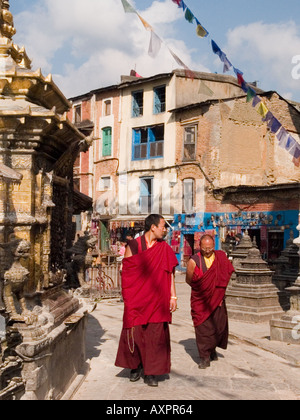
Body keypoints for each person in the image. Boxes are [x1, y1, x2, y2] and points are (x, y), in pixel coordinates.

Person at [115, 214, 178, 387]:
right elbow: (126, 272)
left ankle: (152, 372)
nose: (165, 230)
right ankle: (136, 366)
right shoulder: (134, 245)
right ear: (153, 227)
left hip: (158, 298)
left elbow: (169, 273)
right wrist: (127, 296)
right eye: (163, 226)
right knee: (135, 333)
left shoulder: (164, 248)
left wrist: (173, 295)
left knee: (155, 335)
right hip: (136, 298)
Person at [185, 234, 234, 369]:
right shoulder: (194, 261)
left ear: (214, 246)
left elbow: (227, 272)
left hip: (217, 299)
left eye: (210, 247)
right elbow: (189, 280)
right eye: (204, 248)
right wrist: (203, 289)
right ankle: (204, 356)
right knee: (203, 329)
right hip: (201, 300)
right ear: (199, 246)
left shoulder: (220, 257)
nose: (207, 250)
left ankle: (212, 349)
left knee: (218, 326)